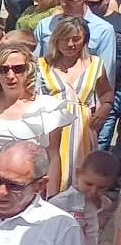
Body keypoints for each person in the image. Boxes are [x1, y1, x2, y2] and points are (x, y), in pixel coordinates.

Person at [0, 41, 70, 203]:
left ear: (29, 70)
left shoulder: (46, 108)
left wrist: (51, 198)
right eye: (3, 70)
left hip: (24, 185)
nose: (10, 76)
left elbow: (53, 156)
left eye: (18, 69)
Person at [36, 15, 111, 176]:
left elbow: (106, 93)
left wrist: (104, 109)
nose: (70, 44)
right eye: (65, 39)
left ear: (84, 39)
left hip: (82, 130)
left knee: (80, 178)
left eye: (76, 39)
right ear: (56, 39)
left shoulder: (95, 64)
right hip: (51, 128)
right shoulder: (42, 65)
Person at [36, 0, 118, 84]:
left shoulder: (103, 30)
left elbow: (107, 74)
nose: (64, 4)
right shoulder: (45, 25)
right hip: (49, 94)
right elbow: (35, 63)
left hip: (85, 95)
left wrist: (103, 100)